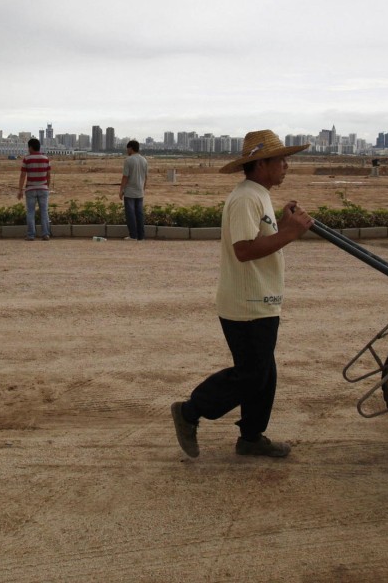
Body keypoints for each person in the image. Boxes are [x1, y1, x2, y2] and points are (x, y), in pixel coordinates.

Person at [171, 130, 313, 458]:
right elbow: (244, 250)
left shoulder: (258, 194)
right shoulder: (246, 198)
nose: (286, 165)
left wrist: (281, 223)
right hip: (246, 303)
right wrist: (290, 233)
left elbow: (259, 238)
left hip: (262, 300)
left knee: (264, 373)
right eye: (280, 159)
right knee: (252, 375)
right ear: (261, 163)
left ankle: (251, 437)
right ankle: (189, 411)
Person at [18, 137, 52, 241]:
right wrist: (47, 186)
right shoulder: (46, 159)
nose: (28, 149)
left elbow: (23, 175)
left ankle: (31, 235)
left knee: (30, 212)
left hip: (30, 189)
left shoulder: (27, 159)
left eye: (28, 147)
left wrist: (20, 190)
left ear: (31, 147)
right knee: (44, 212)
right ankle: (45, 234)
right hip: (43, 188)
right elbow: (48, 175)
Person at [119, 140, 148, 240]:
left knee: (130, 214)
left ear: (131, 148)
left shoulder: (128, 160)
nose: (127, 151)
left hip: (130, 192)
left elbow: (125, 177)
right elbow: (146, 177)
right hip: (140, 191)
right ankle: (141, 236)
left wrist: (121, 190)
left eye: (127, 148)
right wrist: (143, 189)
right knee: (139, 214)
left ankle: (133, 235)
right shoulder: (144, 160)